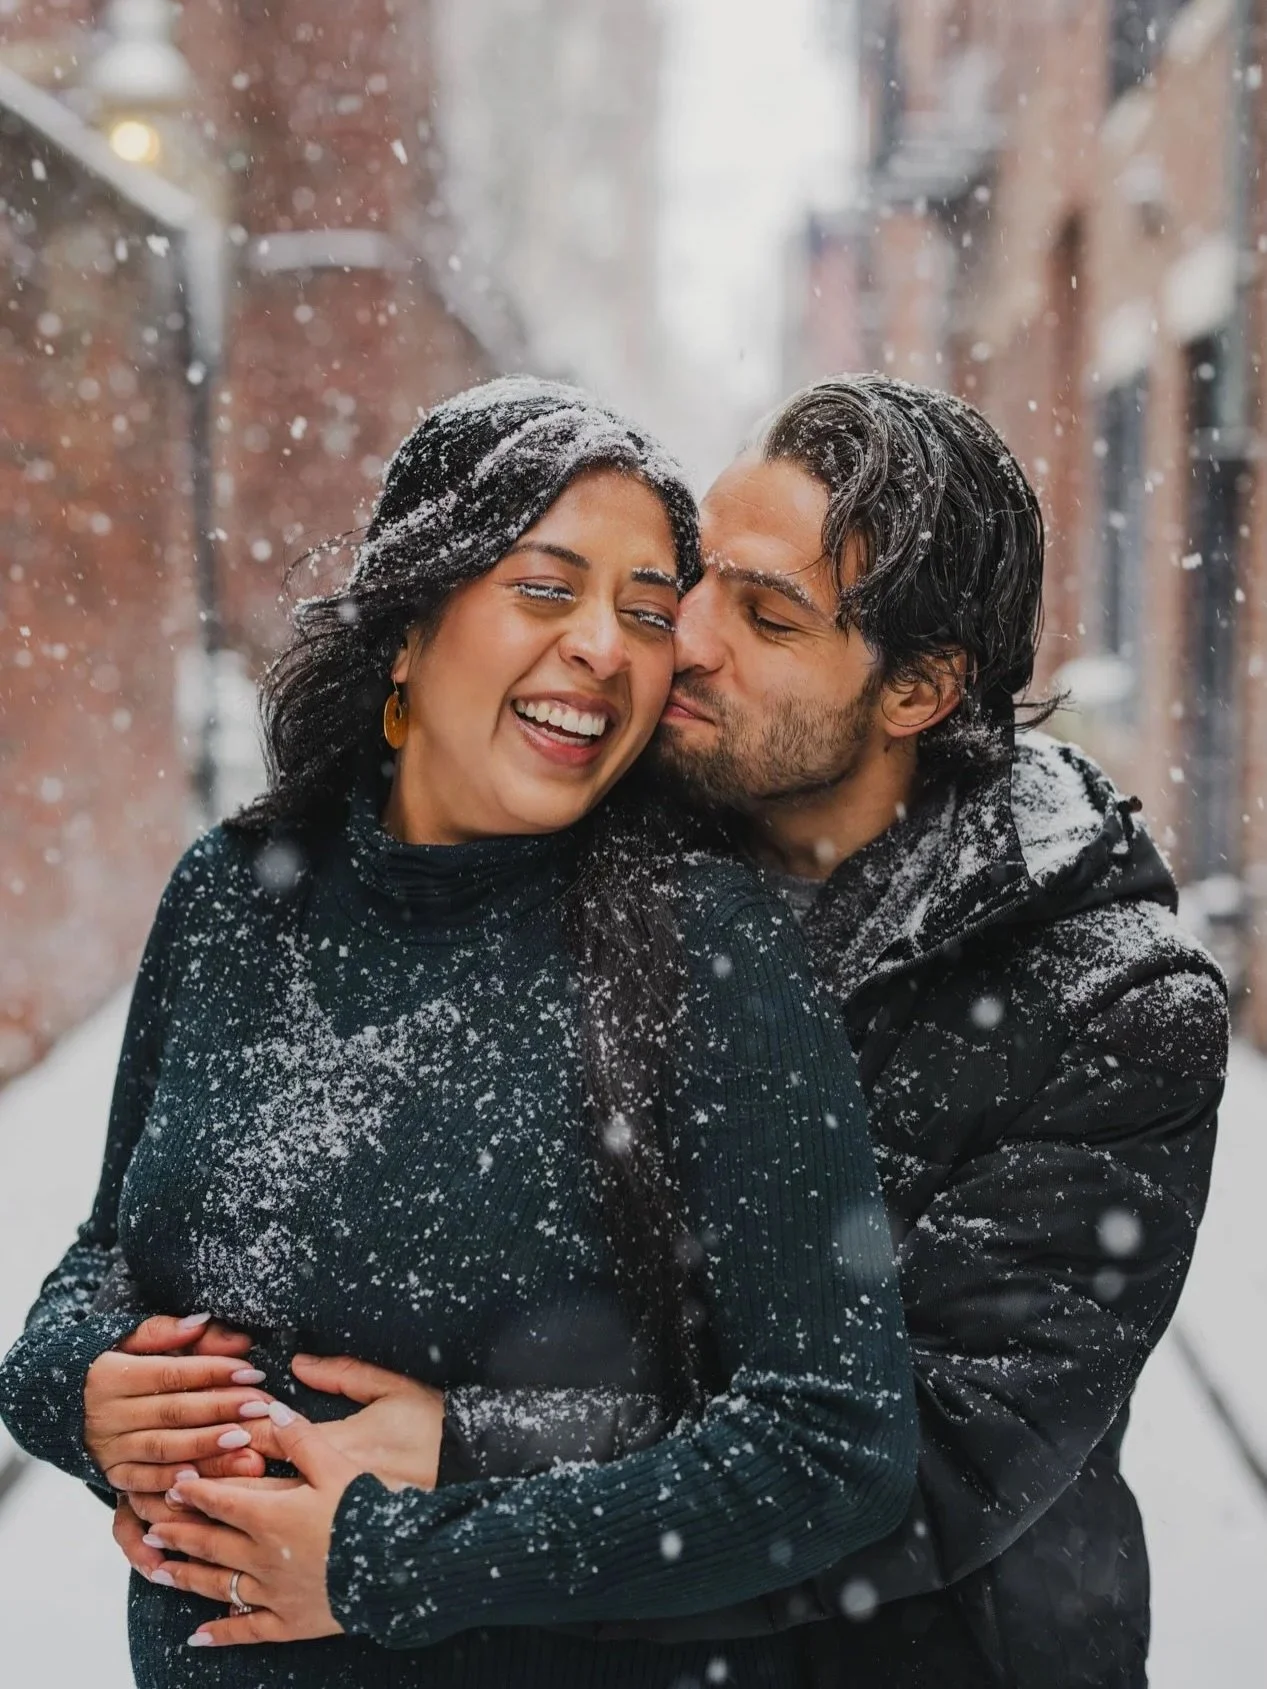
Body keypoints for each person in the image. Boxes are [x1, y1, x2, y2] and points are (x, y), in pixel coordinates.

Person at [200, 374, 1220, 1689]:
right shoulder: (594, 840)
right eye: (695, 580)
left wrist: (470, 1454)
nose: (681, 639)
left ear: (917, 691)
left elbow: (920, 1462)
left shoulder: (1110, 1008)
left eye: (768, 615)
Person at [0, 377, 917, 1687]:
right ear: (408, 630)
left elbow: (831, 1446)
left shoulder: (706, 950)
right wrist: (72, 1388)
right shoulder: (236, 894)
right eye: (547, 589)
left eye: (647, 611)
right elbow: (110, 1255)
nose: (605, 646)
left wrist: (391, 1562)